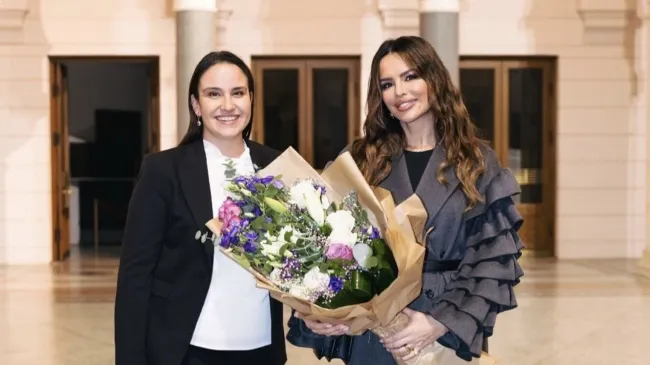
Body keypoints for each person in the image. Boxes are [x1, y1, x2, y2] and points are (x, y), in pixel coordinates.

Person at [286, 36, 524, 364]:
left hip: (441, 329)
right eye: (387, 84)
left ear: (434, 80)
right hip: (373, 328)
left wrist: (437, 323)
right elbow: (321, 246)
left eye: (410, 77)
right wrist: (315, 311)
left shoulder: (476, 162)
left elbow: (491, 260)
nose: (399, 92)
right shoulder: (360, 159)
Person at [114, 51, 287, 365]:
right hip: (186, 348)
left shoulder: (276, 165)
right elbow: (135, 275)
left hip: (261, 348)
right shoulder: (163, 170)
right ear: (196, 105)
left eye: (238, 93)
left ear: (251, 99)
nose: (227, 106)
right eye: (213, 94)